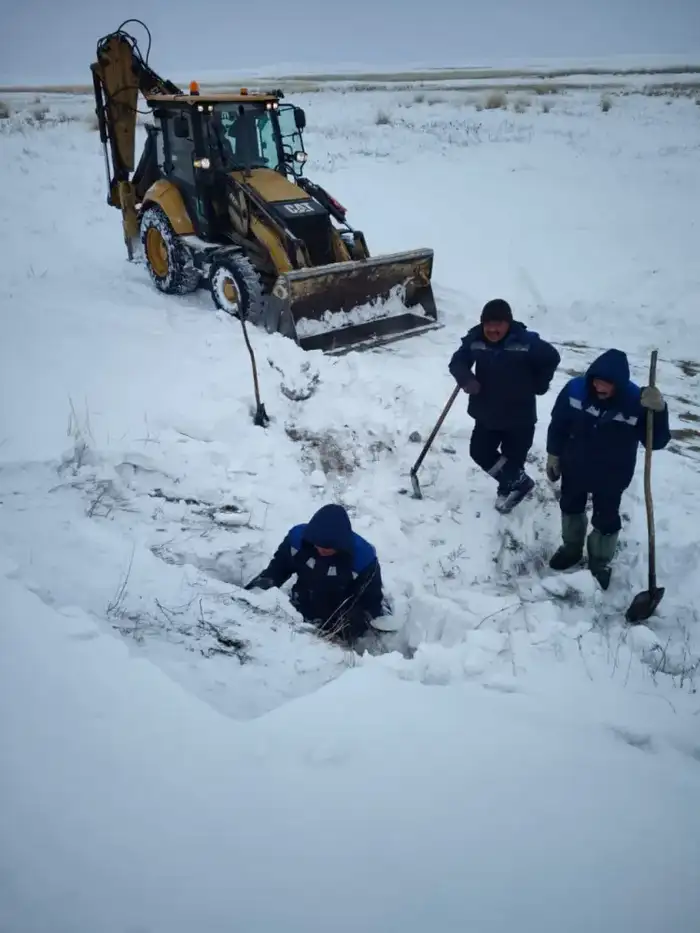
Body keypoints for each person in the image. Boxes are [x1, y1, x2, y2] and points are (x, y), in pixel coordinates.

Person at [545, 348, 670, 589]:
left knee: (606, 517)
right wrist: (554, 454)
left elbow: (657, 442)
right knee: (570, 506)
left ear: (619, 385)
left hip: (613, 473)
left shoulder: (637, 402)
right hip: (575, 465)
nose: (600, 388)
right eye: (596, 382)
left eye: (607, 385)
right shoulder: (575, 390)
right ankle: (571, 549)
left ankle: (599, 562)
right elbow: (558, 424)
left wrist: (660, 411)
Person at [448, 298, 561, 513]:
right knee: (480, 451)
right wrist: (466, 379)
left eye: (497, 323)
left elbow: (551, 358)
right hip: (486, 412)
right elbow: (457, 362)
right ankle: (518, 482)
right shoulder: (475, 340)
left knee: (514, 457)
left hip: (520, 415)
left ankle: (509, 487)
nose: (492, 329)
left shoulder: (526, 342)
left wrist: (540, 383)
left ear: (508, 323)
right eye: (487, 323)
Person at [245, 503, 386, 646]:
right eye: (318, 545)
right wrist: (251, 595)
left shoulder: (363, 559)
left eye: (328, 548)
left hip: (337, 620)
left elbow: (370, 603)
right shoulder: (298, 541)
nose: (322, 550)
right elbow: (276, 571)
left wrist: (347, 628)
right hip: (299, 608)